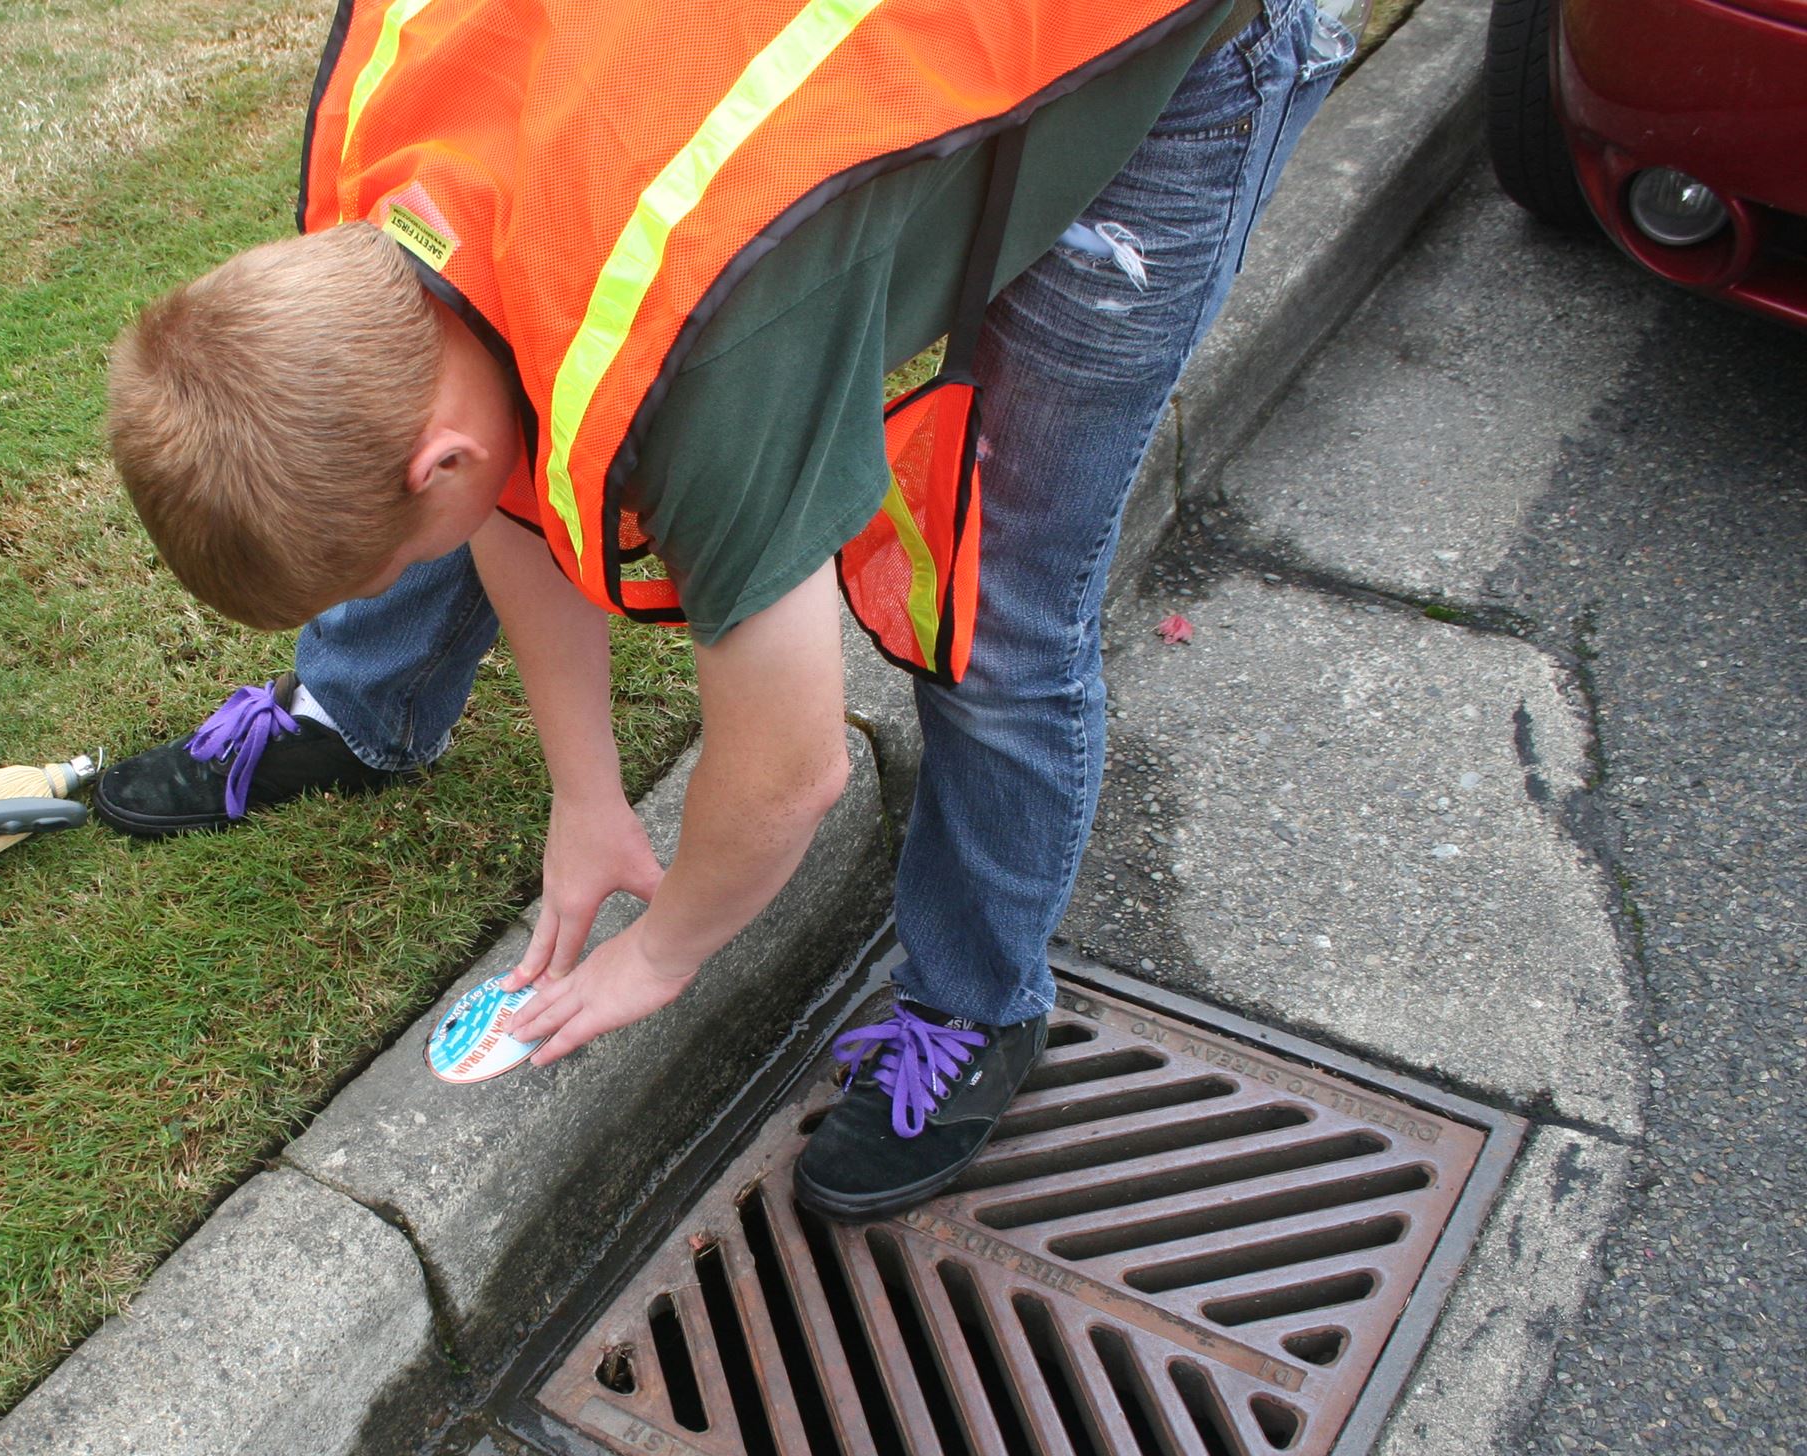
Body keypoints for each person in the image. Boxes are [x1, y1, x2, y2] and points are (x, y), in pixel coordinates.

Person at [98, 0, 1351, 1221]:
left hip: (1157, 45)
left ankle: (977, 1004)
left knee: (998, 599)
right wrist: (586, 796)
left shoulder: (705, 367)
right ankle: (357, 713)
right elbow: (516, 498)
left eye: (379, 562)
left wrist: (663, 950)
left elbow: (785, 769)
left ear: (434, 463)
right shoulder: (384, 212)